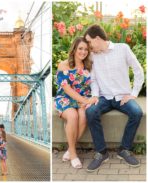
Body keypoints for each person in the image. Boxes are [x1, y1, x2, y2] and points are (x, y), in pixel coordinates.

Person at [84, 24, 144, 172]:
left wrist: (133, 94)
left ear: (97, 39)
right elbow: (93, 79)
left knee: (137, 113)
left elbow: (138, 70)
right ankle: (101, 152)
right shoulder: (93, 56)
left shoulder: (122, 48)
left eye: (89, 42)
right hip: (103, 97)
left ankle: (124, 149)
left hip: (122, 97)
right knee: (90, 112)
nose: (88, 46)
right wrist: (95, 96)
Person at [54, 37, 97, 168]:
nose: (83, 52)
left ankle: (69, 149)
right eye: (80, 48)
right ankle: (73, 154)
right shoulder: (64, 65)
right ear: (74, 49)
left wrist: (90, 98)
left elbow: (94, 83)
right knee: (73, 116)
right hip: (66, 97)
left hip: (83, 97)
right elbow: (66, 88)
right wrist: (84, 101)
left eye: (85, 49)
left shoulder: (89, 65)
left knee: (84, 116)